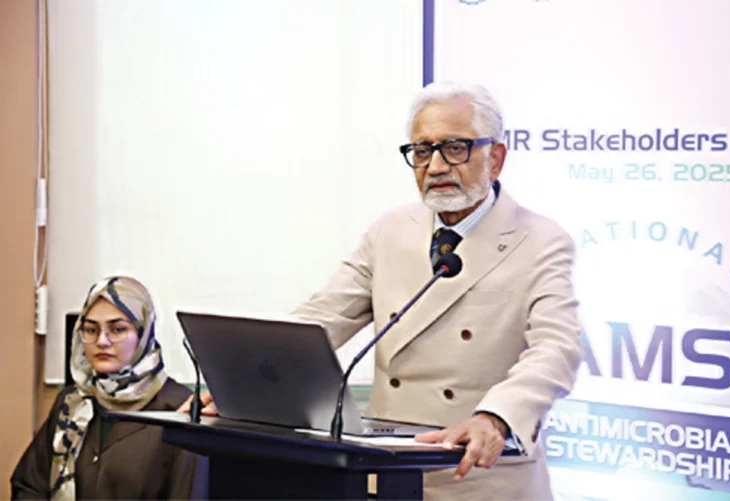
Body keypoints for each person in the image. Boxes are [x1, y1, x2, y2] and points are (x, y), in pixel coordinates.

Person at [181, 81, 583, 500]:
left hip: (477, 476)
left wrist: (495, 418)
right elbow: (322, 318)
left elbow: (557, 348)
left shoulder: (540, 240)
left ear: (495, 158)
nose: (436, 166)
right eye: (422, 151)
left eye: (455, 148)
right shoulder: (391, 230)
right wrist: (244, 384)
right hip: (387, 471)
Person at [11, 276, 207, 500]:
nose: (102, 341)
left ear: (143, 333)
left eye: (117, 329)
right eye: (91, 330)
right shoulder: (72, 402)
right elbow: (29, 486)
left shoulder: (182, 412)